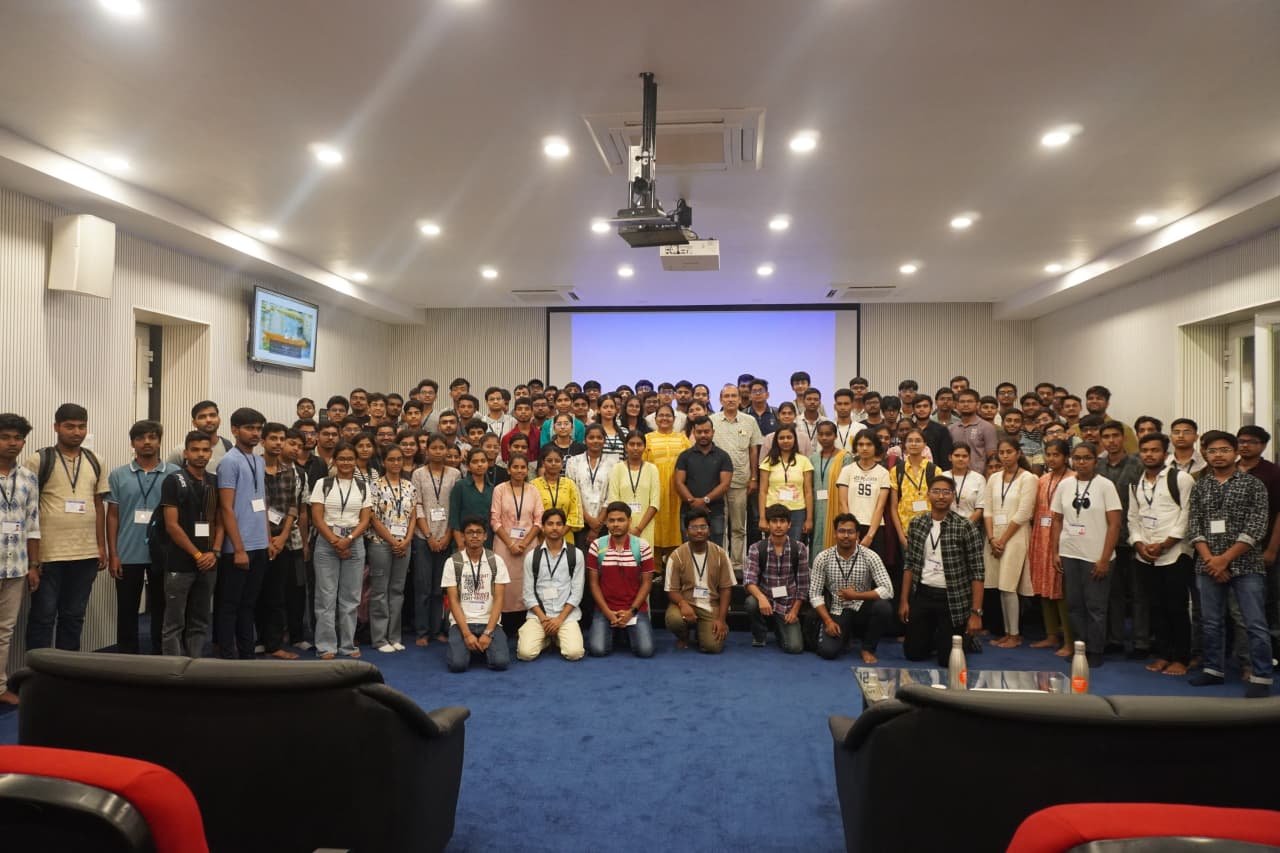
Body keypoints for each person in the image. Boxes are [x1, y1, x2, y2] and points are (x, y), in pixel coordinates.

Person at [1187, 431, 1271, 696]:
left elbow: (1257, 526)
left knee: (1254, 622)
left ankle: (1261, 676)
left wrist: (1224, 560)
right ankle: (1213, 669)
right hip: (1208, 565)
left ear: (1235, 452)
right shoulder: (1201, 486)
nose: (1218, 455)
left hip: (1247, 565)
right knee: (1211, 621)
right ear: (1206, 454)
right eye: (1212, 451)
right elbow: (1194, 526)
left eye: (1224, 450)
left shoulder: (1254, 485)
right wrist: (1211, 560)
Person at [24, 403, 108, 651]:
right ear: (56, 427)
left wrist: (101, 546)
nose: (76, 432)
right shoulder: (39, 460)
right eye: (69, 426)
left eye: (81, 426)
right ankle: (38, 672)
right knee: (43, 617)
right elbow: (28, 510)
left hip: (86, 555)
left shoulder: (96, 460)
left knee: (73, 617)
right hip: (49, 555)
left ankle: (68, 671)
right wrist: (32, 560)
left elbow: (99, 505)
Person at [1128, 432, 1195, 676]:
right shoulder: (1136, 482)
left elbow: (1187, 515)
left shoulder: (1181, 479)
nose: (1149, 454)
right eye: (1145, 450)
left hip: (1174, 554)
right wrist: (1138, 544)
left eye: (1154, 450)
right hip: (1145, 554)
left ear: (1165, 454)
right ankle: (1163, 654)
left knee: (1176, 607)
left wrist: (1165, 544)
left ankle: (1181, 658)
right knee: (1155, 607)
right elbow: (1132, 517)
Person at [900, 477, 986, 666]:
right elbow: (909, 564)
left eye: (946, 492)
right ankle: (936, 636)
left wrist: (976, 613)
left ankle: (965, 638)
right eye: (936, 491)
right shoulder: (917, 523)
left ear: (953, 496)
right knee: (913, 654)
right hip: (924, 594)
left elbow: (977, 572)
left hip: (953, 599)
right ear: (928, 494)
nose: (941, 496)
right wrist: (904, 601)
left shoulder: (966, 526)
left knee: (948, 661)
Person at [1051, 442, 1123, 667]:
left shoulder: (1106, 486)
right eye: (1077, 458)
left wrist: (1105, 559)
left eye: (1087, 458)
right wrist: (1055, 552)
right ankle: (1080, 647)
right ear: (1071, 460)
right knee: (1074, 605)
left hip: (1096, 555)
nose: (1081, 462)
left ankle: (1096, 650)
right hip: (1070, 553)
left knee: (1096, 607)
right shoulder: (1064, 485)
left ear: (1095, 461)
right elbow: (1057, 520)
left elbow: (1115, 524)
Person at [106, 419, 174, 654]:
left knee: (162, 609)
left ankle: (160, 656)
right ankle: (127, 658)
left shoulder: (174, 474)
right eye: (140, 438)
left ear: (159, 441)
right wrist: (113, 554)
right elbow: (112, 516)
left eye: (152, 437)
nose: (147, 442)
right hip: (127, 552)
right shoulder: (118, 475)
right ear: (132, 443)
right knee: (126, 610)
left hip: (163, 553)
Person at [159, 431, 221, 658]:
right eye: (195, 450)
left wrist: (214, 552)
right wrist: (197, 555)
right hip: (180, 562)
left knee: (201, 619)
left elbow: (221, 521)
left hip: (209, 562)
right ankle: (172, 669)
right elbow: (172, 525)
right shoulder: (174, 480)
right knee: (174, 622)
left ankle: (195, 665)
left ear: (211, 453)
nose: (200, 455)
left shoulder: (214, 481)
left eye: (205, 450)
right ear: (186, 453)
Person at [310, 443, 373, 660]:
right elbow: (317, 517)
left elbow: (365, 519)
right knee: (325, 596)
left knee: (351, 597)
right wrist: (335, 541)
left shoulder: (363, 486)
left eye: (350, 459)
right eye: (342, 459)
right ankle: (326, 646)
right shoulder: (323, 484)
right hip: (327, 541)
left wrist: (348, 540)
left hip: (354, 541)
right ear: (334, 461)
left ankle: (347, 644)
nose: (346, 463)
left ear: (356, 461)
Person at [809, 510, 894, 661]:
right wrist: (828, 621)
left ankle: (867, 648)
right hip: (837, 609)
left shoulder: (870, 556)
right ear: (835, 534)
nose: (846, 536)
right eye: (841, 531)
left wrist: (856, 595)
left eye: (850, 532)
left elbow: (888, 590)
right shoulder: (823, 558)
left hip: (862, 608)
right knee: (827, 652)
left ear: (857, 535)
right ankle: (845, 636)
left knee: (883, 608)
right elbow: (815, 594)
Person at [983, 438, 1038, 647]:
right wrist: (992, 539)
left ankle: (1015, 635)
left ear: (1018, 453)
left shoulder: (1028, 478)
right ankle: (1007, 632)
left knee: (1009, 585)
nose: (1005, 456)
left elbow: (1024, 512)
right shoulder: (994, 478)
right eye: (1002, 452)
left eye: (1009, 452)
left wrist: (1003, 540)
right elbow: (987, 510)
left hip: (1015, 536)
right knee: (999, 585)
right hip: (994, 536)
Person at [1098, 419, 1147, 658]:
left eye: (1115, 436)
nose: (1111, 441)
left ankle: (1141, 642)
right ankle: (1115, 639)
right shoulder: (1097, 466)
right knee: (1113, 593)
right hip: (1106, 539)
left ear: (1123, 438)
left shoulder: (1139, 465)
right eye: (1106, 437)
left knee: (1139, 594)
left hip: (1135, 537)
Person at [0, 413, 40, 705]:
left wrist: (34, 565)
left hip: (15, 567)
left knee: (4, 631)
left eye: (18, 438)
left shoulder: (28, 477)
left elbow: (33, 524)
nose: (12, 443)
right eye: (5, 437)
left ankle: (0, 687)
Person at [586, 502, 656, 658]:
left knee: (646, 651)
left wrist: (631, 612)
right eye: (611, 520)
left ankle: (622, 631)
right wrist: (607, 612)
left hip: (634, 610)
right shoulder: (597, 546)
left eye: (620, 520)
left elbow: (647, 583)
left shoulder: (642, 546)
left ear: (629, 521)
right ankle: (618, 631)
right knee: (597, 650)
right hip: (605, 610)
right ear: (606, 522)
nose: (616, 524)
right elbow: (593, 584)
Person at [517, 507, 586, 661]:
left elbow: (576, 593)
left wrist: (559, 619)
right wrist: (544, 619)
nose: (554, 528)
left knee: (574, 653)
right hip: (539, 616)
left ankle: (557, 636)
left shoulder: (576, 555)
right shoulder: (532, 556)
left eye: (559, 524)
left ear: (564, 527)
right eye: (550, 524)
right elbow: (528, 594)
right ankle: (548, 639)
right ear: (543, 527)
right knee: (525, 654)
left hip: (566, 616)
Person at [443, 516, 510, 672]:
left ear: (485, 536)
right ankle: (470, 648)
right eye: (470, 532)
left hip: (489, 622)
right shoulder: (452, 562)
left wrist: (488, 632)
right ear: (463, 536)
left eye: (479, 532)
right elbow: (453, 601)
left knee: (501, 663)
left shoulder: (496, 561)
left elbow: (499, 600)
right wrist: (466, 634)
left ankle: (479, 648)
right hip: (461, 623)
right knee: (457, 665)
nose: (474, 536)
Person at [664, 507, 735, 652]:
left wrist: (721, 619)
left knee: (712, 647)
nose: (699, 531)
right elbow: (671, 590)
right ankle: (684, 636)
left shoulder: (721, 554)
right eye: (694, 527)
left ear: (709, 530)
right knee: (674, 620)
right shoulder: (676, 556)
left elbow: (726, 589)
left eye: (703, 527)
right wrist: (683, 604)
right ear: (686, 531)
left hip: (711, 605)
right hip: (686, 603)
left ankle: (702, 631)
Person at [412, 434, 460, 646]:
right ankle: (422, 632)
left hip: (446, 537)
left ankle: (437, 629)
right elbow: (417, 505)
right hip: (423, 537)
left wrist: (447, 535)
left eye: (442, 448)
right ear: (427, 450)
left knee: (440, 589)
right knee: (423, 587)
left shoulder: (455, 474)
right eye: (434, 448)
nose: (438, 451)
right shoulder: (418, 474)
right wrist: (429, 536)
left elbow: (455, 507)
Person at [256, 422, 299, 660]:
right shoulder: (254, 467)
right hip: (256, 539)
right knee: (255, 593)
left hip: (282, 541)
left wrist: (281, 538)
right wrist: (267, 538)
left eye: (282, 439)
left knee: (277, 595)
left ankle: (273, 644)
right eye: (273, 438)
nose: (278, 443)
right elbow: (255, 505)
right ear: (263, 441)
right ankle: (257, 640)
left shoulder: (289, 471)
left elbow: (292, 506)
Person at [368, 445, 416, 653]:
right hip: (381, 544)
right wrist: (392, 541)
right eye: (391, 459)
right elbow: (372, 517)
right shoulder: (375, 485)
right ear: (383, 462)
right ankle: (380, 639)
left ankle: (394, 636)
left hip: (404, 544)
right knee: (379, 591)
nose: (396, 463)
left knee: (397, 590)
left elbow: (413, 516)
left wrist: (406, 540)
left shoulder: (409, 486)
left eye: (399, 459)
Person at [1028, 439, 1074, 656]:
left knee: (1061, 589)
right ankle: (1051, 634)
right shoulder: (1042, 480)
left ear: (1066, 457)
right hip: (1041, 536)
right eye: (1049, 454)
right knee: (1043, 584)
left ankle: (1069, 639)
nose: (1052, 459)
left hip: (1063, 536)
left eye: (1057, 454)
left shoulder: (1073, 479)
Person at [743, 505, 810, 653]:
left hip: (787, 604)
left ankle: (780, 629)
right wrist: (761, 597)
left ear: (789, 524)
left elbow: (803, 585)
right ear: (768, 524)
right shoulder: (756, 548)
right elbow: (749, 580)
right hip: (765, 600)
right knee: (751, 602)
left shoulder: (799, 548)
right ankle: (760, 634)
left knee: (794, 648)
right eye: (774, 521)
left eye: (782, 521)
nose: (778, 525)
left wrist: (795, 611)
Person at [492, 452, 545, 639]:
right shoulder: (499, 490)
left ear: (527, 470)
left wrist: (523, 543)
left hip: (528, 545)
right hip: (504, 544)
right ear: (508, 469)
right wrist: (510, 544)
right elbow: (495, 520)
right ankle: (503, 624)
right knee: (505, 584)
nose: (519, 470)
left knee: (526, 583)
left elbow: (539, 520)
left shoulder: (533, 490)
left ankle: (526, 624)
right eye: (515, 467)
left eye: (523, 467)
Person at [711, 385, 763, 568]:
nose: (731, 399)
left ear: (740, 399)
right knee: (718, 528)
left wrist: (754, 478)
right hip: (716, 484)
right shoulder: (712, 421)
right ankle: (719, 563)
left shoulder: (749, 421)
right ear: (721, 399)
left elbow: (754, 451)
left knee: (738, 527)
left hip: (741, 482)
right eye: (727, 396)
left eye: (734, 396)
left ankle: (737, 564)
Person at [644, 404, 691, 557]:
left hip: (678, 490)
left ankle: (674, 562)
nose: (664, 418)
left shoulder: (682, 439)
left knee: (676, 525)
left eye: (668, 415)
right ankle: (655, 564)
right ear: (655, 419)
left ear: (674, 419)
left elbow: (690, 463)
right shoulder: (647, 439)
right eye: (661, 415)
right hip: (655, 489)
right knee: (654, 525)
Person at [835, 431, 892, 555]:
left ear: (876, 447)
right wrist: (851, 531)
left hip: (875, 528)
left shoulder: (883, 473)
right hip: (851, 527)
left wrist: (870, 536)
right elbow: (843, 503)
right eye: (860, 444)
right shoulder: (847, 470)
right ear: (856, 447)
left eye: (869, 444)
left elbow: (880, 506)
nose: (864, 448)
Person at [758, 424, 813, 544]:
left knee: (794, 546)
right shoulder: (768, 461)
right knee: (773, 547)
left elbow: (808, 492)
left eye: (789, 437)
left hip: (797, 510)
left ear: (795, 439)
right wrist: (762, 518)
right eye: (781, 438)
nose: (786, 441)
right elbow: (762, 491)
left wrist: (809, 519)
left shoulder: (804, 461)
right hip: (773, 510)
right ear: (776, 441)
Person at [568, 424, 619, 554]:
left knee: (603, 560)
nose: (595, 441)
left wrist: (597, 525)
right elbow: (573, 494)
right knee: (582, 560)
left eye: (599, 437)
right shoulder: (573, 462)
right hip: (580, 522)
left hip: (605, 523)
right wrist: (589, 519)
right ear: (585, 440)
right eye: (591, 437)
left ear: (604, 440)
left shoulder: (614, 463)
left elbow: (612, 494)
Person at [607, 432, 660, 544]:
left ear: (644, 447)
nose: (635, 448)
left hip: (645, 527)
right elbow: (613, 501)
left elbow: (654, 503)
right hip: (619, 526)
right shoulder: (617, 468)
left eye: (639, 444)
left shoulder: (652, 469)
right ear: (626, 447)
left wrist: (639, 529)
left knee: (644, 554)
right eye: (631, 444)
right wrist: (625, 527)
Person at [809, 421, 850, 555]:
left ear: (835, 436)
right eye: (821, 434)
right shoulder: (813, 458)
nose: (824, 437)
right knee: (816, 538)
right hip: (816, 507)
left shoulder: (845, 457)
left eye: (828, 434)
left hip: (836, 505)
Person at [166, 400, 233, 472]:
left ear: (219, 419)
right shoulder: (180, 451)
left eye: (212, 415)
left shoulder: (231, 448)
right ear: (194, 423)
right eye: (202, 417)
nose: (208, 420)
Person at [449, 447, 495, 549]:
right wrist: (460, 544)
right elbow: (454, 518)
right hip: (464, 541)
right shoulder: (460, 486)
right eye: (475, 462)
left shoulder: (492, 488)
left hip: (487, 542)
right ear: (468, 466)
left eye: (483, 461)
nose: (480, 464)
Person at [949, 389, 998, 474]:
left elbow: (991, 456)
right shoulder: (951, 428)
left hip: (979, 475)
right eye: (962, 402)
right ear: (957, 405)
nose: (966, 404)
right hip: (956, 475)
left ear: (978, 405)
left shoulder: (987, 427)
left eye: (970, 401)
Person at [1084, 385, 1138, 454]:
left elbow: (1134, 454)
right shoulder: (1076, 429)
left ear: (1107, 403)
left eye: (1099, 398)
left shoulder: (1123, 428)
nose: (1094, 401)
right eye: (1090, 398)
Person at [943, 442, 986, 527]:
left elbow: (980, 509)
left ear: (969, 458)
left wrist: (964, 527)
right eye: (957, 455)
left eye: (964, 456)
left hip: (970, 527)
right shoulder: (942, 477)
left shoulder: (979, 479)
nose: (961, 459)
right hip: (946, 527)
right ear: (950, 457)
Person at [911, 395, 954, 469]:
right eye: (918, 407)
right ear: (913, 410)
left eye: (925, 406)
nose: (922, 409)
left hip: (935, 472)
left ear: (931, 409)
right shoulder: (910, 429)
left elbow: (945, 458)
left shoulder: (941, 430)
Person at [500, 396, 541, 463]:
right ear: (515, 413)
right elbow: (505, 462)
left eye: (527, 409)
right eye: (519, 409)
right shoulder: (507, 438)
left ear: (532, 412)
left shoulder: (539, 435)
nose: (523, 412)